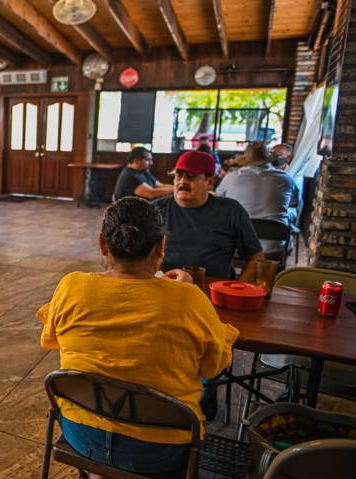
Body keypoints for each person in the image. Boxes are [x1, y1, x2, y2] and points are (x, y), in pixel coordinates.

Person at [38, 197, 238, 476]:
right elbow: (214, 365)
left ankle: (100, 472)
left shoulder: (72, 286)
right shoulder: (189, 299)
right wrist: (182, 292)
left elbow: (50, 338)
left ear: (102, 244)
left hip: (83, 434)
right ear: (161, 247)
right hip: (159, 451)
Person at [155, 150, 264, 281]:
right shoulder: (156, 209)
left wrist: (236, 289)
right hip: (166, 287)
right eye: (178, 176)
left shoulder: (231, 211)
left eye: (191, 176)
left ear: (210, 182)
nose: (182, 182)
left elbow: (256, 258)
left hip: (213, 289)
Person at [217, 142, 300, 255]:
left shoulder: (231, 177)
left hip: (237, 246)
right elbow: (294, 203)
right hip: (273, 246)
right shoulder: (286, 179)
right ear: (269, 158)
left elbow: (219, 201)